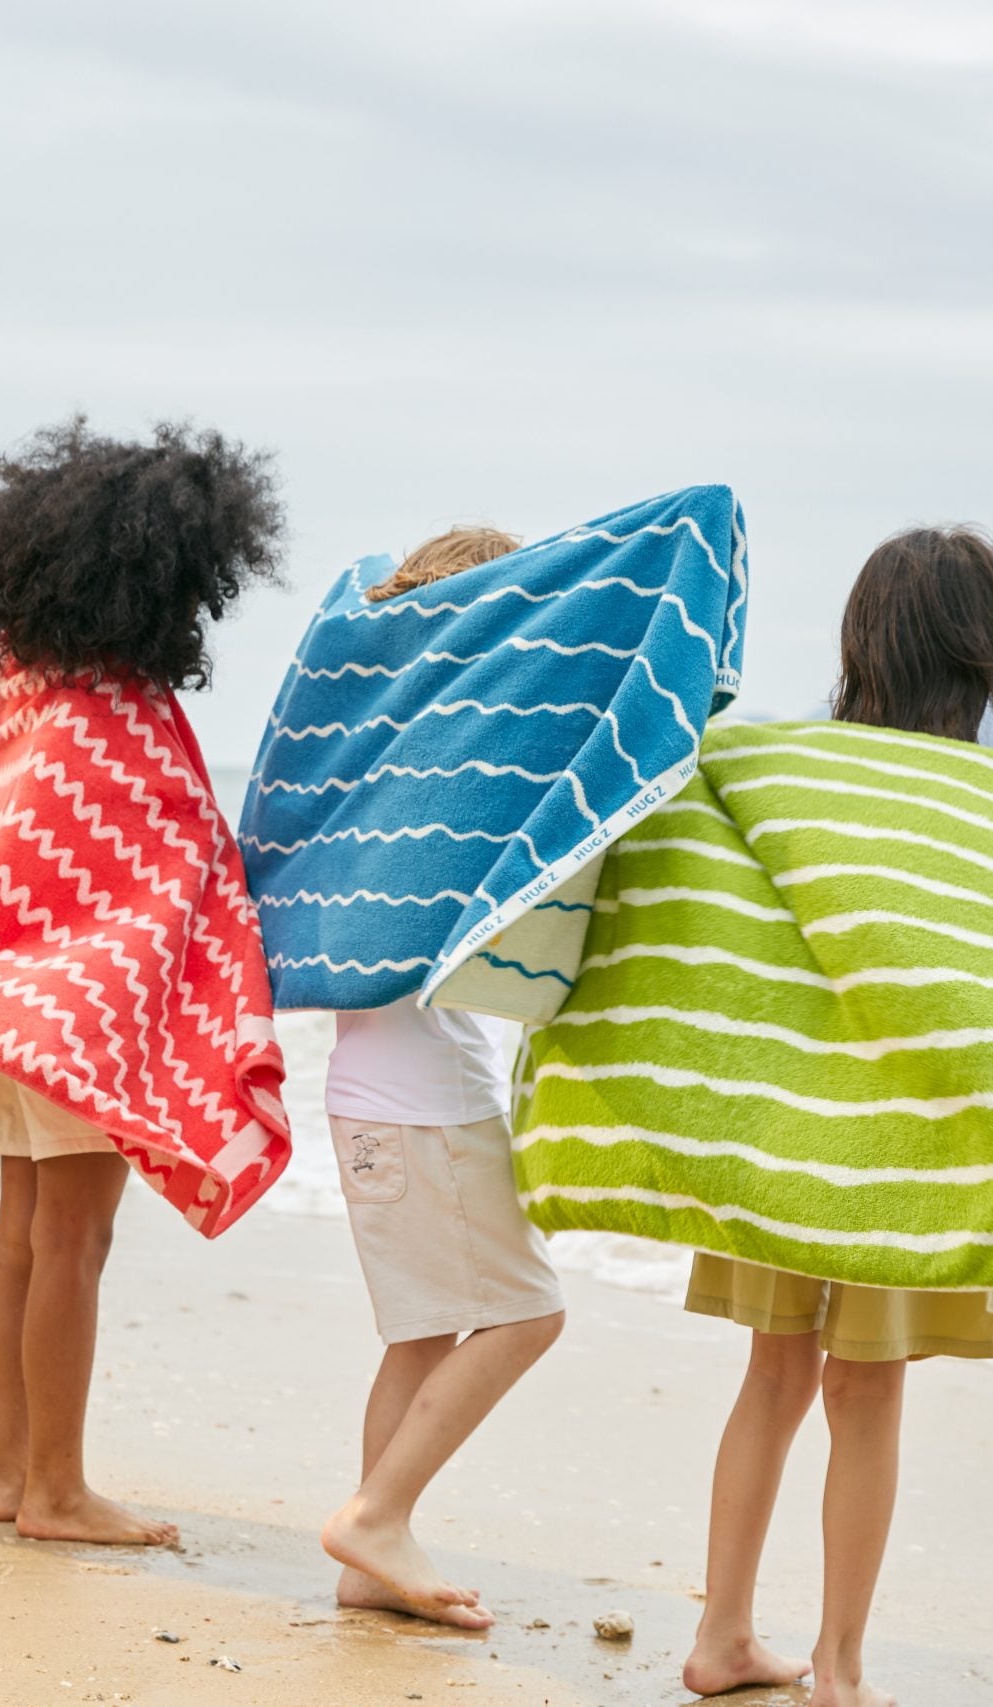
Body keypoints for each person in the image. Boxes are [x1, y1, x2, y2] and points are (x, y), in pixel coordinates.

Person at [0, 417, 291, 1547]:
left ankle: (11, 1472)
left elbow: (34, 850)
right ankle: (56, 1491)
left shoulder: (30, 686)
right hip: (74, 1015)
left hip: (4, 999)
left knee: (20, 1233)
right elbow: (156, 874)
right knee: (73, 1242)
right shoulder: (118, 714)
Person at [681, 526, 993, 1707]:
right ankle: (836, 1666)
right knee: (866, 1393)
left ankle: (721, 1636)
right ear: (986, 655)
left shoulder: (797, 773)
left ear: (862, 641)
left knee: (769, 1375)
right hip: (908, 1135)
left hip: (780, 1116)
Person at [316, 527, 567, 1632]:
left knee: (417, 1336)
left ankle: (369, 1557)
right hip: (427, 1103)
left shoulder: (370, 763)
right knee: (527, 1314)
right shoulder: (458, 771)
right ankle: (376, 1518)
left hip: (362, 1093)